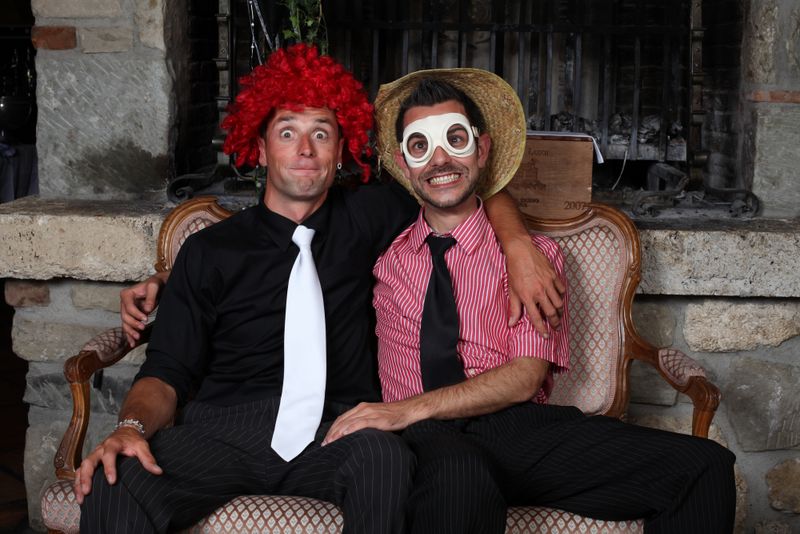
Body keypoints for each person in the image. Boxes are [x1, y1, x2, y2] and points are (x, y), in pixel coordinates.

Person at [75, 45, 564, 534]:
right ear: (260, 149)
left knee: (387, 461)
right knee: (115, 482)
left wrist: (517, 245)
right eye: (287, 133)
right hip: (223, 429)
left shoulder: (372, 216)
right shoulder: (207, 251)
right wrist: (130, 427)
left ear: (341, 150)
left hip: (338, 430)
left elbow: (457, 180)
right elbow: (165, 373)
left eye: (321, 134)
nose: (305, 150)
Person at [323, 70, 737, 534]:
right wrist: (403, 414)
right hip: (426, 437)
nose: (440, 159)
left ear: (482, 150)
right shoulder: (383, 251)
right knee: (460, 476)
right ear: (404, 163)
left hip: (515, 426)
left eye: (455, 140)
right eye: (421, 146)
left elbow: (525, 377)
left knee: (703, 466)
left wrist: (517, 245)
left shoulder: (534, 258)